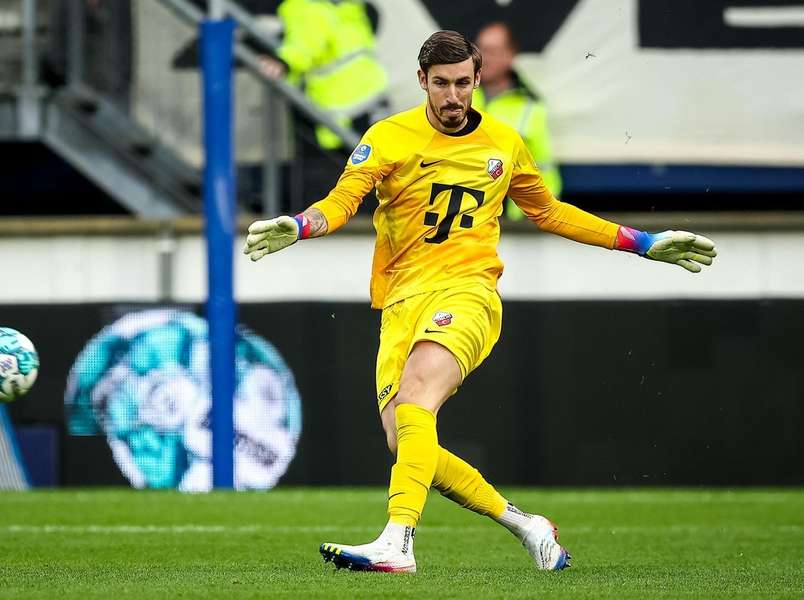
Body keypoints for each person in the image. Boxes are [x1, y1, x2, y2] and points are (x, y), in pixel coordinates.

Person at [243, 30, 716, 573]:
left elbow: (550, 212)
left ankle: (397, 541)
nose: (453, 96)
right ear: (422, 81)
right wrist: (301, 225)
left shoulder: (503, 141)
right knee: (407, 444)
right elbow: (342, 200)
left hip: (469, 294)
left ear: (476, 78)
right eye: (441, 84)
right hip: (401, 304)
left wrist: (642, 242)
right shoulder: (389, 137)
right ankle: (526, 524)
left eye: (463, 83)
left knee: (417, 396)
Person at [259, 0, 388, 150]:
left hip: (352, 108)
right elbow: (304, 45)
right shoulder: (318, 8)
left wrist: (285, 61)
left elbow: (304, 46)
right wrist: (284, 62)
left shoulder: (345, 6)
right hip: (354, 108)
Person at [474, 22, 560, 221]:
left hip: (509, 222)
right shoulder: (455, 96)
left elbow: (543, 170)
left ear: (510, 55)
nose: (484, 57)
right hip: (458, 219)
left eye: (492, 51)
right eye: (480, 49)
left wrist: (530, 222)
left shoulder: (532, 107)